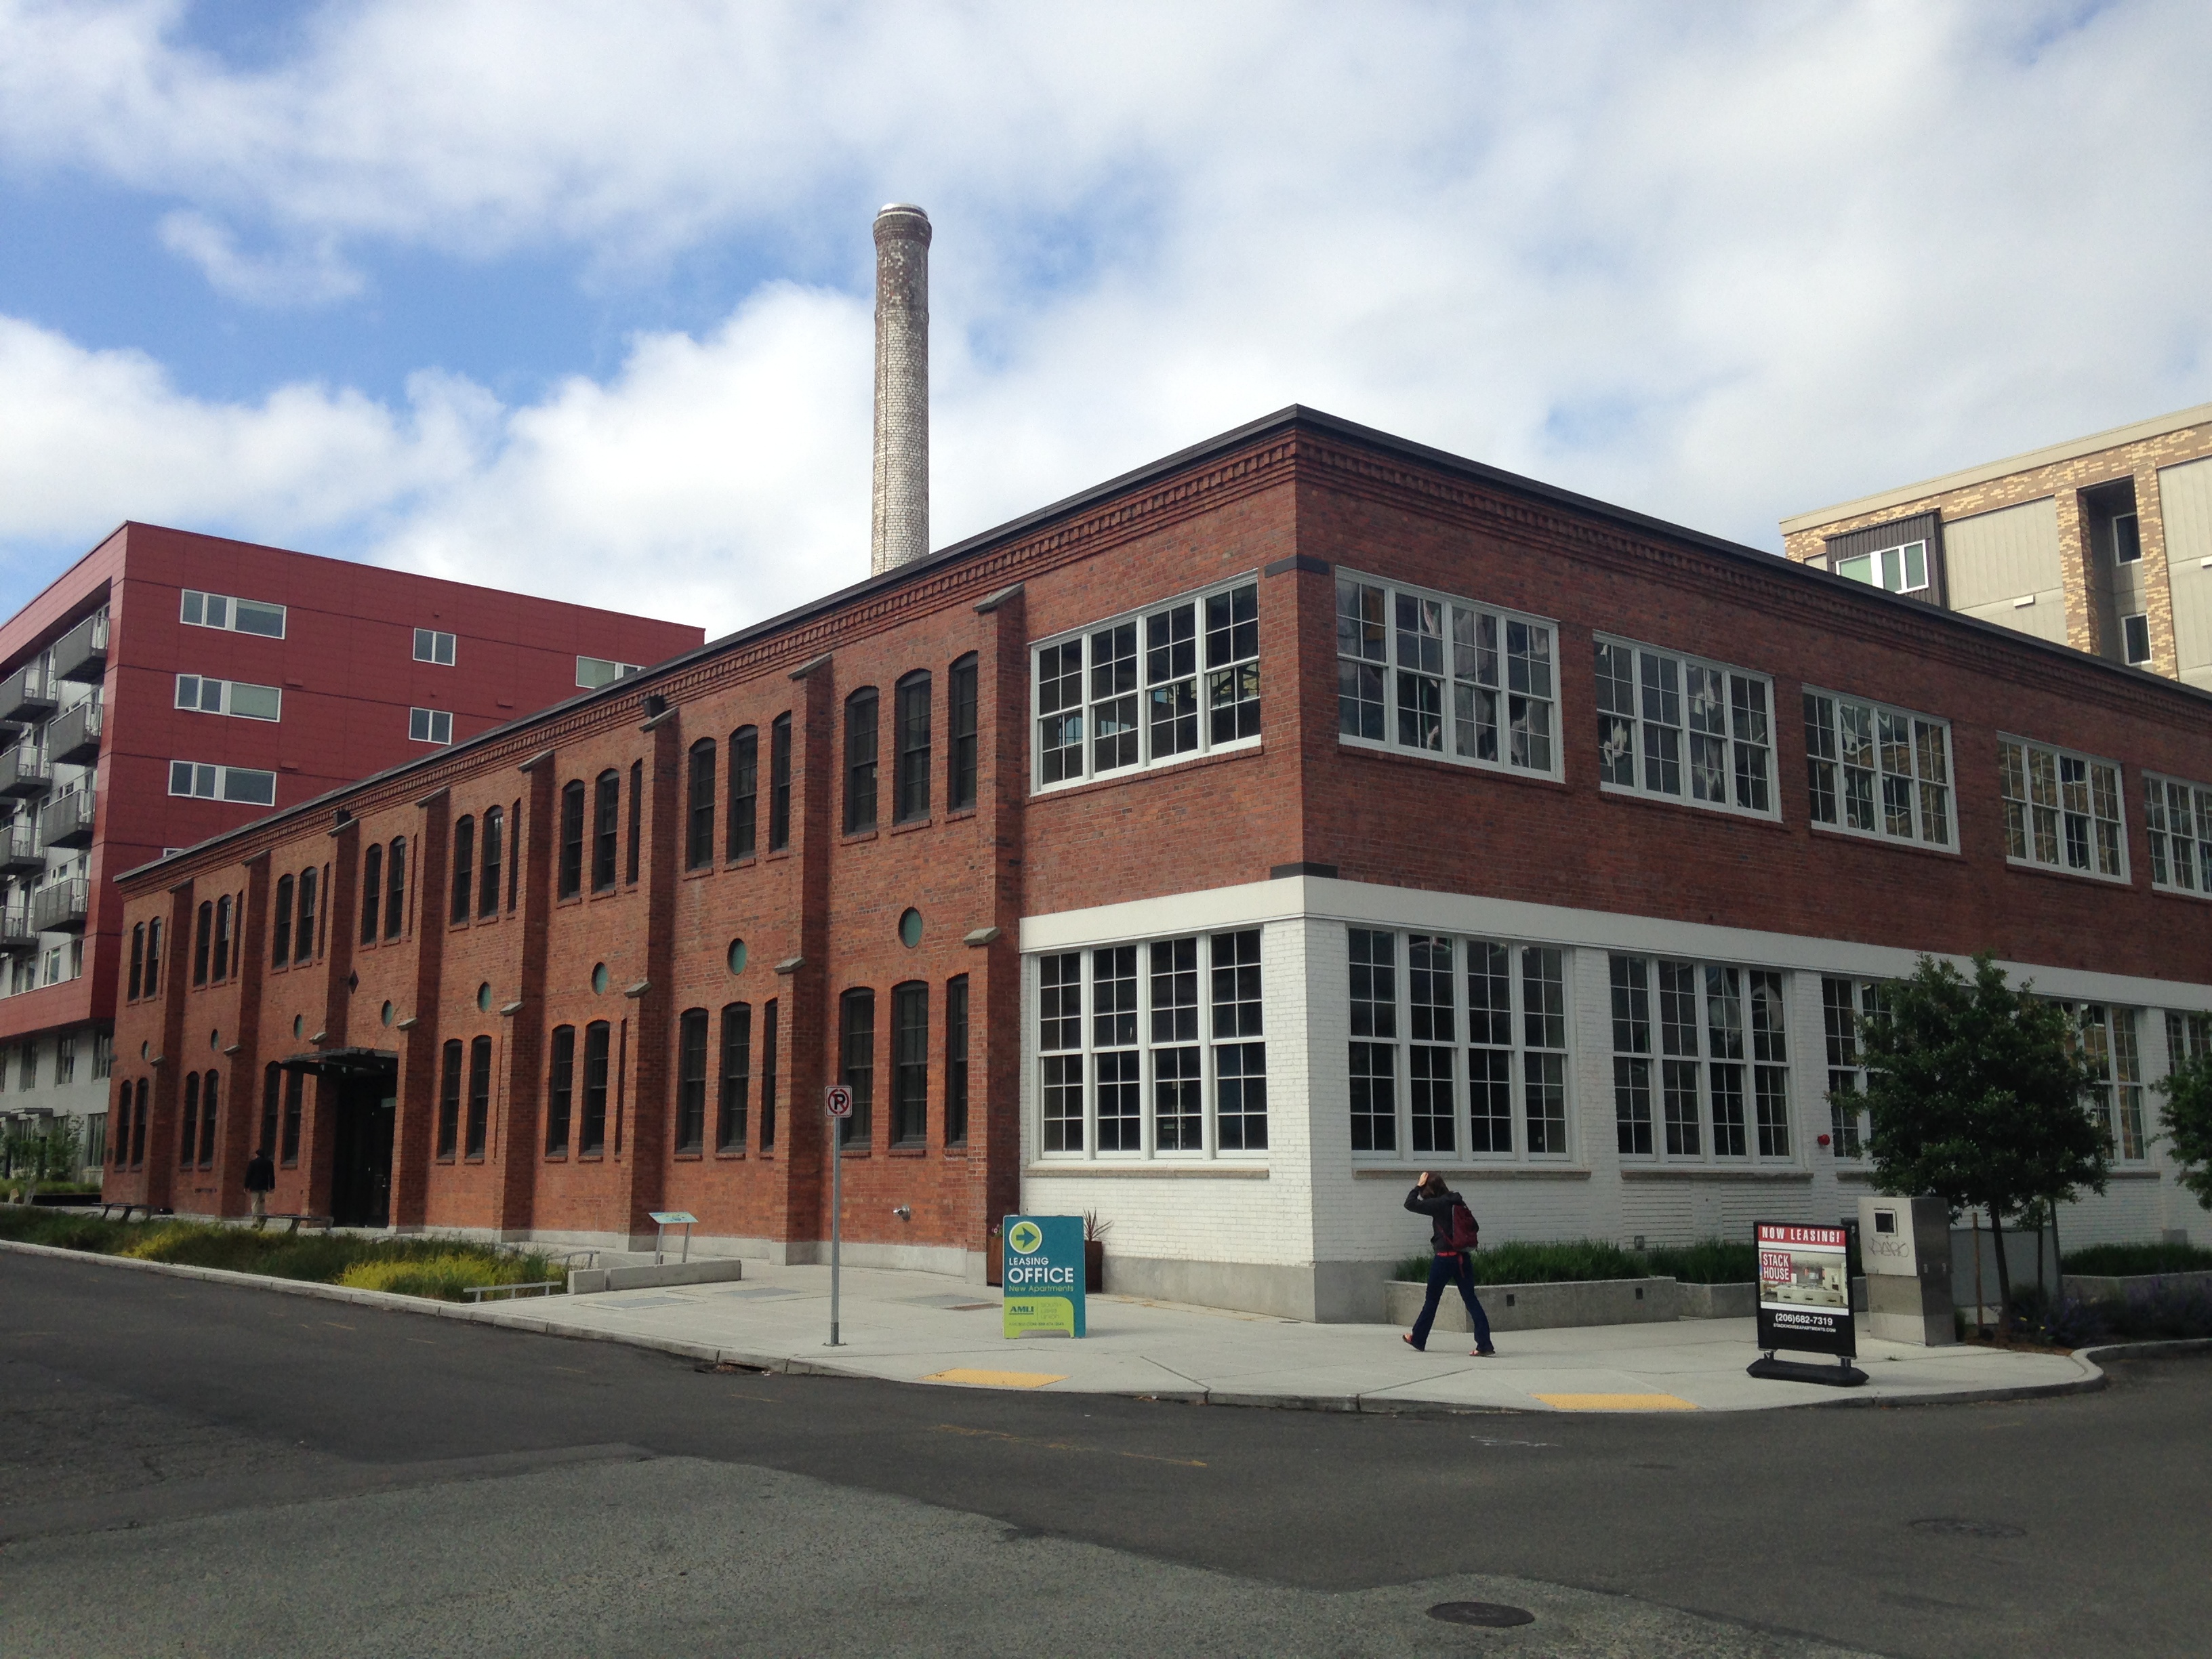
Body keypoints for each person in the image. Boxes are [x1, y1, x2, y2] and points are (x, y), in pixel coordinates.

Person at [1402, 1170, 1496, 1355]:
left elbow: (1410, 1204)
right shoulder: (1458, 1201)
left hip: (1444, 1258)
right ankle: (1484, 1344)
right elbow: (1474, 1226)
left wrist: (1418, 1186)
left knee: (1432, 1299)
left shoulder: (1438, 1204)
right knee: (1471, 1299)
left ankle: (1419, 1338)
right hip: (1462, 1258)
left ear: (1430, 1189)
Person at [244, 1146, 276, 1227]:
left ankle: (255, 1222)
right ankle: (261, 1219)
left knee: (255, 1203)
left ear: (257, 1155)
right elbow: (271, 1175)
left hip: (255, 1186)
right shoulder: (269, 1163)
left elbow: (249, 1175)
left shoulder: (253, 1163)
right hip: (264, 1186)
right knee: (262, 1203)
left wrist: (246, 1186)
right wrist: (272, 1186)